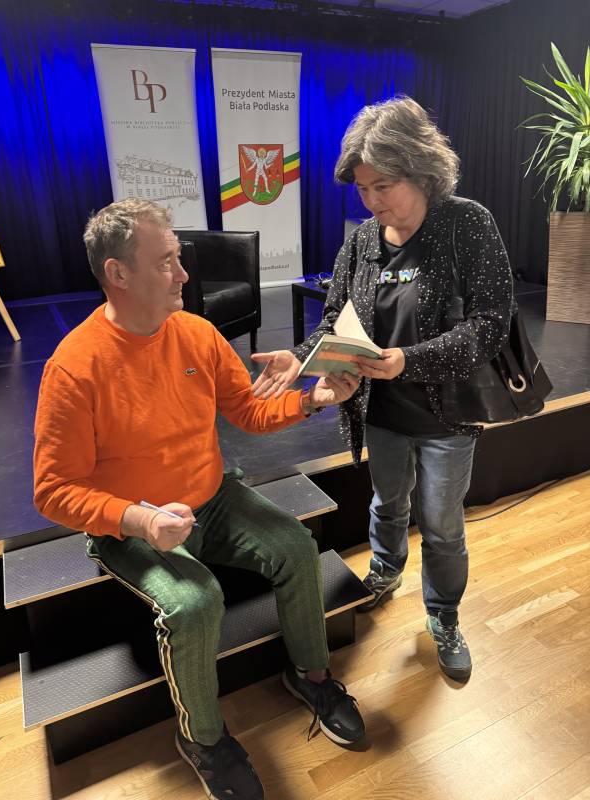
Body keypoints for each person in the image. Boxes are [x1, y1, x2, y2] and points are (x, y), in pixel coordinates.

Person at [33, 199, 365, 800]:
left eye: (179, 258)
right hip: (132, 527)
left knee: (295, 545)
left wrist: (311, 400)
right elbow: (53, 491)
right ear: (118, 273)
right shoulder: (74, 368)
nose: (185, 273)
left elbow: (248, 411)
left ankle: (312, 675)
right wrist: (139, 519)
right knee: (195, 601)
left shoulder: (197, 333)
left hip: (213, 497)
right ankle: (202, 738)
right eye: (167, 262)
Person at [251, 97, 513, 683]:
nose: (371, 201)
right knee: (387, 502)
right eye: (363, 189)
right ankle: (386, 571)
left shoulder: (466, 224)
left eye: (383, 186)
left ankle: (443, 615)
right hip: (381, 412)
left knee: (441, 524)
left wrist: (408, 361)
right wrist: (302, 357)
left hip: (446, 417)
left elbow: (490, 324)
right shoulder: (363, 241)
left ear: (421, 170)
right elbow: (334, 319)